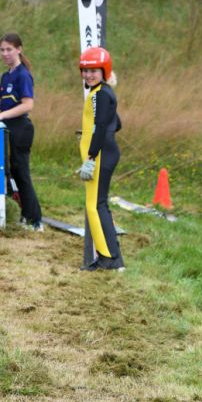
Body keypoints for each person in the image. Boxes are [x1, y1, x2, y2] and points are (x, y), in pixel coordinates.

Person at [0, 32, 43, 231]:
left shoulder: (23, 74)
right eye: (2, 50)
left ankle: (35, 220)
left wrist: (2, 115)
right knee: (11, 173)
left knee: (22, 173)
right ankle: (22, 215)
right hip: (7, 128)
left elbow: (28, 105)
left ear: (19, 49)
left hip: (21, 127)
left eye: (9, 49)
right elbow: (0, 104)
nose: (5, 53)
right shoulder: (6, 75)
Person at [77, 46, 124, 271]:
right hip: (103, 153)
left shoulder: (100, 94)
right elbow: (117, 122)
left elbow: (101, 126)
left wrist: (91, 157)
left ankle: (109, 258)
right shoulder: (100, 92)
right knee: (97, 204)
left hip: (100, 156)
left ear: (104, 71)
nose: (88, 75)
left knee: (95, 205)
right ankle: (112, 256)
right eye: (85, 71)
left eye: (93, 70)